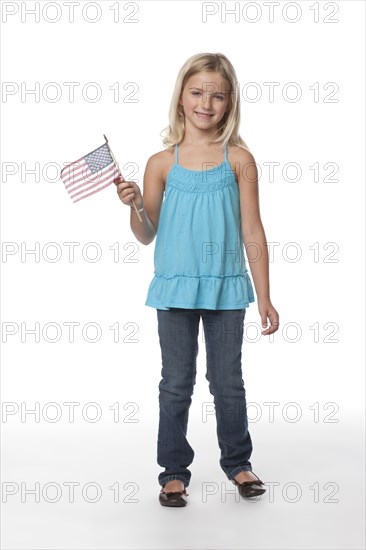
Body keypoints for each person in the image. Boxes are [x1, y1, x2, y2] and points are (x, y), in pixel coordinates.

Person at [114, 52, 279, 507]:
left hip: (226, 286)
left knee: (227, 380)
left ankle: (239, 463)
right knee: (176, 381)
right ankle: (172, 471)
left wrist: (264, 295)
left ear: (229, 104)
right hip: (175, 288)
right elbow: (147, 233)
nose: (206, 102)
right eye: (197, 92)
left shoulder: (240, 160)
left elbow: (252, 229)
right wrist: (133, 207)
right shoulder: (160, 163)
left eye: (217, 95)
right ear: (181, 97)